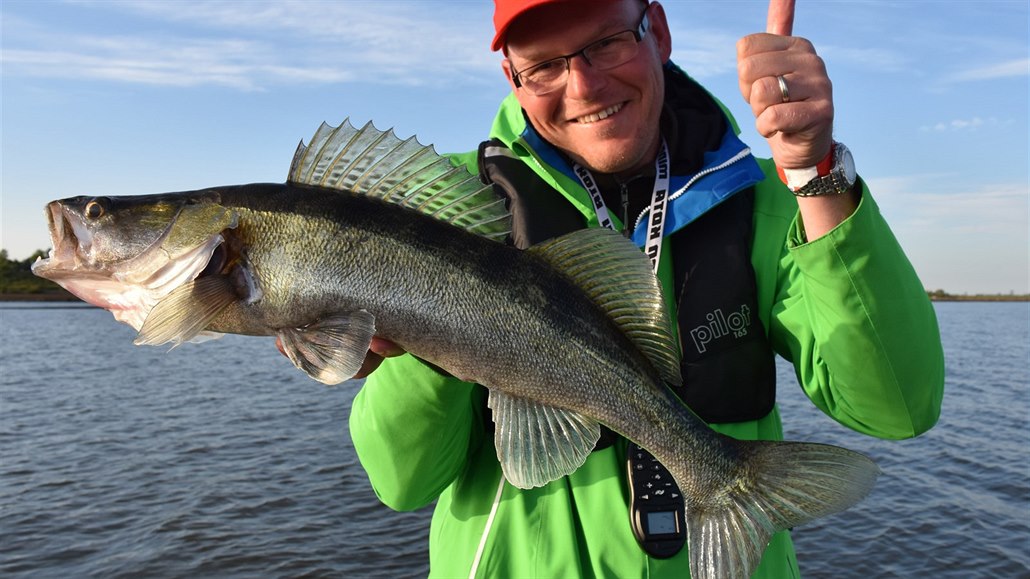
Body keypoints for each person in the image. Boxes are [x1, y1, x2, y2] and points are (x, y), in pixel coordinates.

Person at [346, 0, 945, 577]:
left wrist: (815, 174)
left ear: (656, 31)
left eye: (605, 43)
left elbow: (898, 407)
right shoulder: (444, 207)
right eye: (543, 65)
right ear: (511, 77)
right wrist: (429, 323)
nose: (582, 86)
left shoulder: (770, 199)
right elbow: (404, 481)